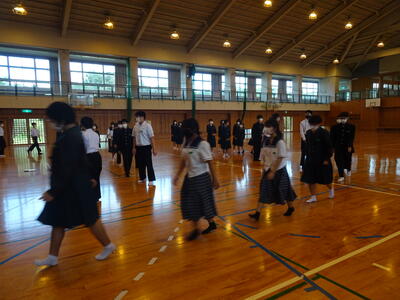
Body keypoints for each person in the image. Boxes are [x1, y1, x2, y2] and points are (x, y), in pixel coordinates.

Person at [35, 102, 115, 267]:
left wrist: (53, 191)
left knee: (91, 219)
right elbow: (81, 159)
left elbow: (69, 166)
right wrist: (91, 176)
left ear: (60, 118)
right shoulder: (70, 133)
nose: (49, 123)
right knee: (58, 221)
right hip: (70, 186)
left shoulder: (72, 136)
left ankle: (108, 246)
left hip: (74, 188)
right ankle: (52, 257)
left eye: (51, 119)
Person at [173, 118, 219, 241]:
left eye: (186, 128)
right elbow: (184, 161)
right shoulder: (186, 143)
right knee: (190, 203)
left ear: (192, 129)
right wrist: (177, 175)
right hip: (190, 178)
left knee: (203, 202)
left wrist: (215, 179)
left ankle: (202, 227)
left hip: (202, 178)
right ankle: (201, 227)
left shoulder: (203, 144)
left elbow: (210, 162)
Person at [249, 119, 296, 221]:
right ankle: (257, 213)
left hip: (279, 170)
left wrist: (273, 171)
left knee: (285, 190)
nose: (265, 129)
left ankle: (291, 207)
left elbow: (280, 158)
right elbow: (264, 156)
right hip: (268, 170)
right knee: (263, 191)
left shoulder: (280, 142)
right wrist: (265, 170)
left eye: (268, 126)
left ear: (274, 128)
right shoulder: (265, 141)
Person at [301, 115, 334, 203]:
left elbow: (329, 147)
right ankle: (313, 197)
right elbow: (307, 146)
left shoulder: (324, 132)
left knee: (326, 180)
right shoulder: (308, 133)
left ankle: (331, 189)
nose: (312, 126)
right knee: (310, 179)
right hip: (310, 160)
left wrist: (327, 159)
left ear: (319, 124)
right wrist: (306, 158)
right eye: (311, 124)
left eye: (314, 124)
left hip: (323, 160)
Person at [81, 117, 102, 202]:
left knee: (89, 177)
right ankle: (96, 197)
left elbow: (84, 148)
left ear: (83, 125)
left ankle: (90, 196)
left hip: (89, 157)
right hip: (97, 156)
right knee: (96, 177)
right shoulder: (95, 133)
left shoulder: (83, 134)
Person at [133, 111, 157, 186]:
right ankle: (142, 178)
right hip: (138, 147)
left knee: (148, 163)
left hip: (146, 147)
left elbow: (152, 138)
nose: (138, 118)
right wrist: (134, 148)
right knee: (140, 164)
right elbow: (134, 137)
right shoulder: (135, 126)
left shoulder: (148, 126)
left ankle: (151, 179)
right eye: (137, 117)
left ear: (143, 117)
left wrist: (154, 149)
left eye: (139, 117)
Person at [330, 112, 355, 181]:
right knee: (338, 160)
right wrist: (332, 147)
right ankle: (341, 176)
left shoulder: (352, 127)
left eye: (344, 118)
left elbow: (351, 137)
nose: (342, 119)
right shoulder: (334, 127)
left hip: (347, 147)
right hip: (338, 147)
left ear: (347, 118)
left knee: (347, 159)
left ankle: (348, 168)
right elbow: (332, 138)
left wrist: (350, 146)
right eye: (341, 118)